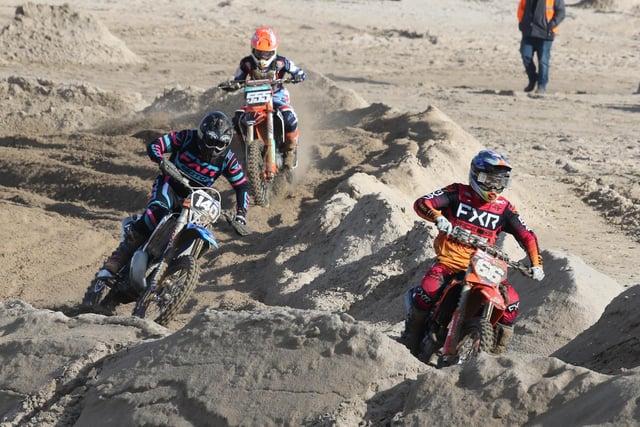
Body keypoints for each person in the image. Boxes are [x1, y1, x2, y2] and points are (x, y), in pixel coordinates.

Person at [400, 150, 545, 356]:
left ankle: (493, 356)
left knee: (511, 304)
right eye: (489, 180)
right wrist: (437, 217)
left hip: (486, 264)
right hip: (452, 260)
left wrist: (536, 264)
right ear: (476, 175)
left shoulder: (504, 208)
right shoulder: (457, 193)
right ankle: (409, 341)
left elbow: (527, 236)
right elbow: (422, 203)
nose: (494, 187)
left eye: (500, 181)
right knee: (428, 289)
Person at [100, 111, 250, 277]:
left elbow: (242, 185)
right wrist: (161, 160)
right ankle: (118, 258)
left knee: (199, 228)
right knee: (155, 214)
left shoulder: (228, 159)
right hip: (169, 185)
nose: (214, 147)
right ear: (202, 134)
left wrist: (241, 215)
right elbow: (156, 145)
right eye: (211, 140)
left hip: (195, 198)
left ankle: (173, 271)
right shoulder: (186, 137)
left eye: (220, 143)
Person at [224, 26, 306, 171]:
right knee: (237, 119)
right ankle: (244, 153)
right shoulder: (246, 63)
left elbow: (297, 70)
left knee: (289, 118)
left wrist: (298, 76)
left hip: (277, 96)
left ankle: (289, 151)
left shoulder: (281, 62)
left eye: (266, 53)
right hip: (254, 98)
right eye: (259, 52)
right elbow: (238, 79)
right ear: (253, 49)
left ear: (274, 51)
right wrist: (232, 85)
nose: (262, 57)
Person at [517, 0, 565, 93]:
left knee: (543, 61)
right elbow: (521, 9)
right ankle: (533, 79)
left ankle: (542, 86)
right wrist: (521, 23)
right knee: (525, 55)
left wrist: (551, 25)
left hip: (546, 33)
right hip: (528, 31)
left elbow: (561, 12)